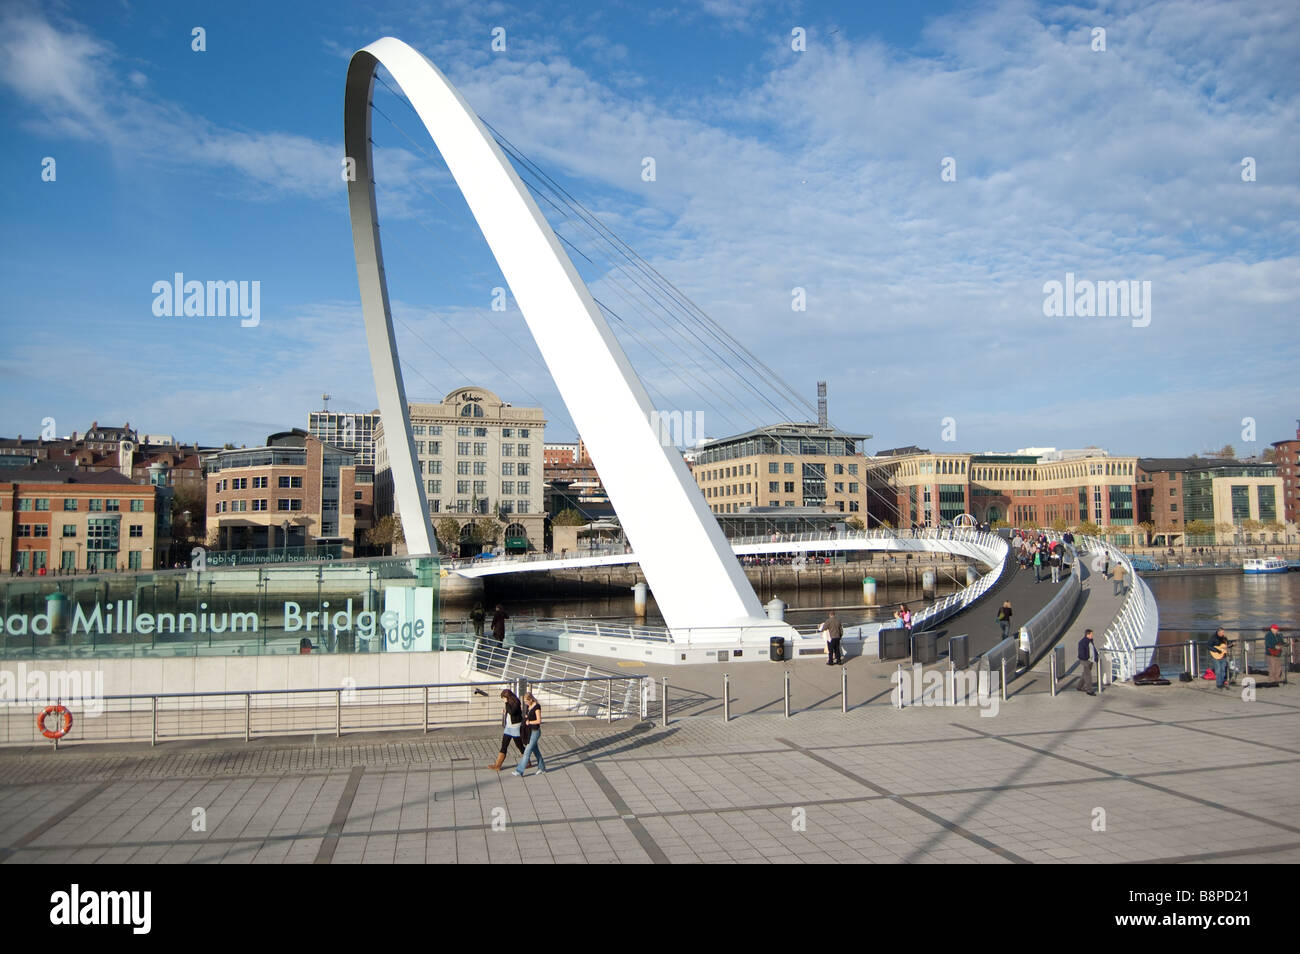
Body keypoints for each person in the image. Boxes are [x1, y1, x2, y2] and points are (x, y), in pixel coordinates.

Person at [489, 689, 526, 771]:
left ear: (507, 697)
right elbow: (509, 711)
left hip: (515, 727)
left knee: (519, 745)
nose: (503, 700)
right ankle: (498, 765)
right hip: (508, 727)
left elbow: (512, 712)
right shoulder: (509, 703)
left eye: (504, 698)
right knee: (504, 745)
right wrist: (505, 711)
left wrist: (506, 703)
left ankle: (527, 761)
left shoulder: (516, 702)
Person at [513, 691, 545, 776]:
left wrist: (530, 722)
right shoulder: (529, 706)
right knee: (536, 752)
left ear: (531, 699)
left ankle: (519, 771)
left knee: (527, 751)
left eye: (526, 701)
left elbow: (539, 721)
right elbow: (528, 715)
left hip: (535, 732)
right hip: (529, 731)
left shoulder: (537, 707)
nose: (526, 703)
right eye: (525, 702)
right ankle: (542, 768)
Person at [1077, 628, 1098, 695]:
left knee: (1085, 674)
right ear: (1087, 634)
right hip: (1086, 661)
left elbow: (1093, 650)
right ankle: (1089, 690)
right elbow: (1081, 652)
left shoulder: (1090, 641)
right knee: (1088, 676)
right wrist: (1086, 658)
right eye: (1091, 634)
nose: (1092, 635)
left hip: (1090, 660)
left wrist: (1096, 656)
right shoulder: (1082, 642)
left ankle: (1079, 686)